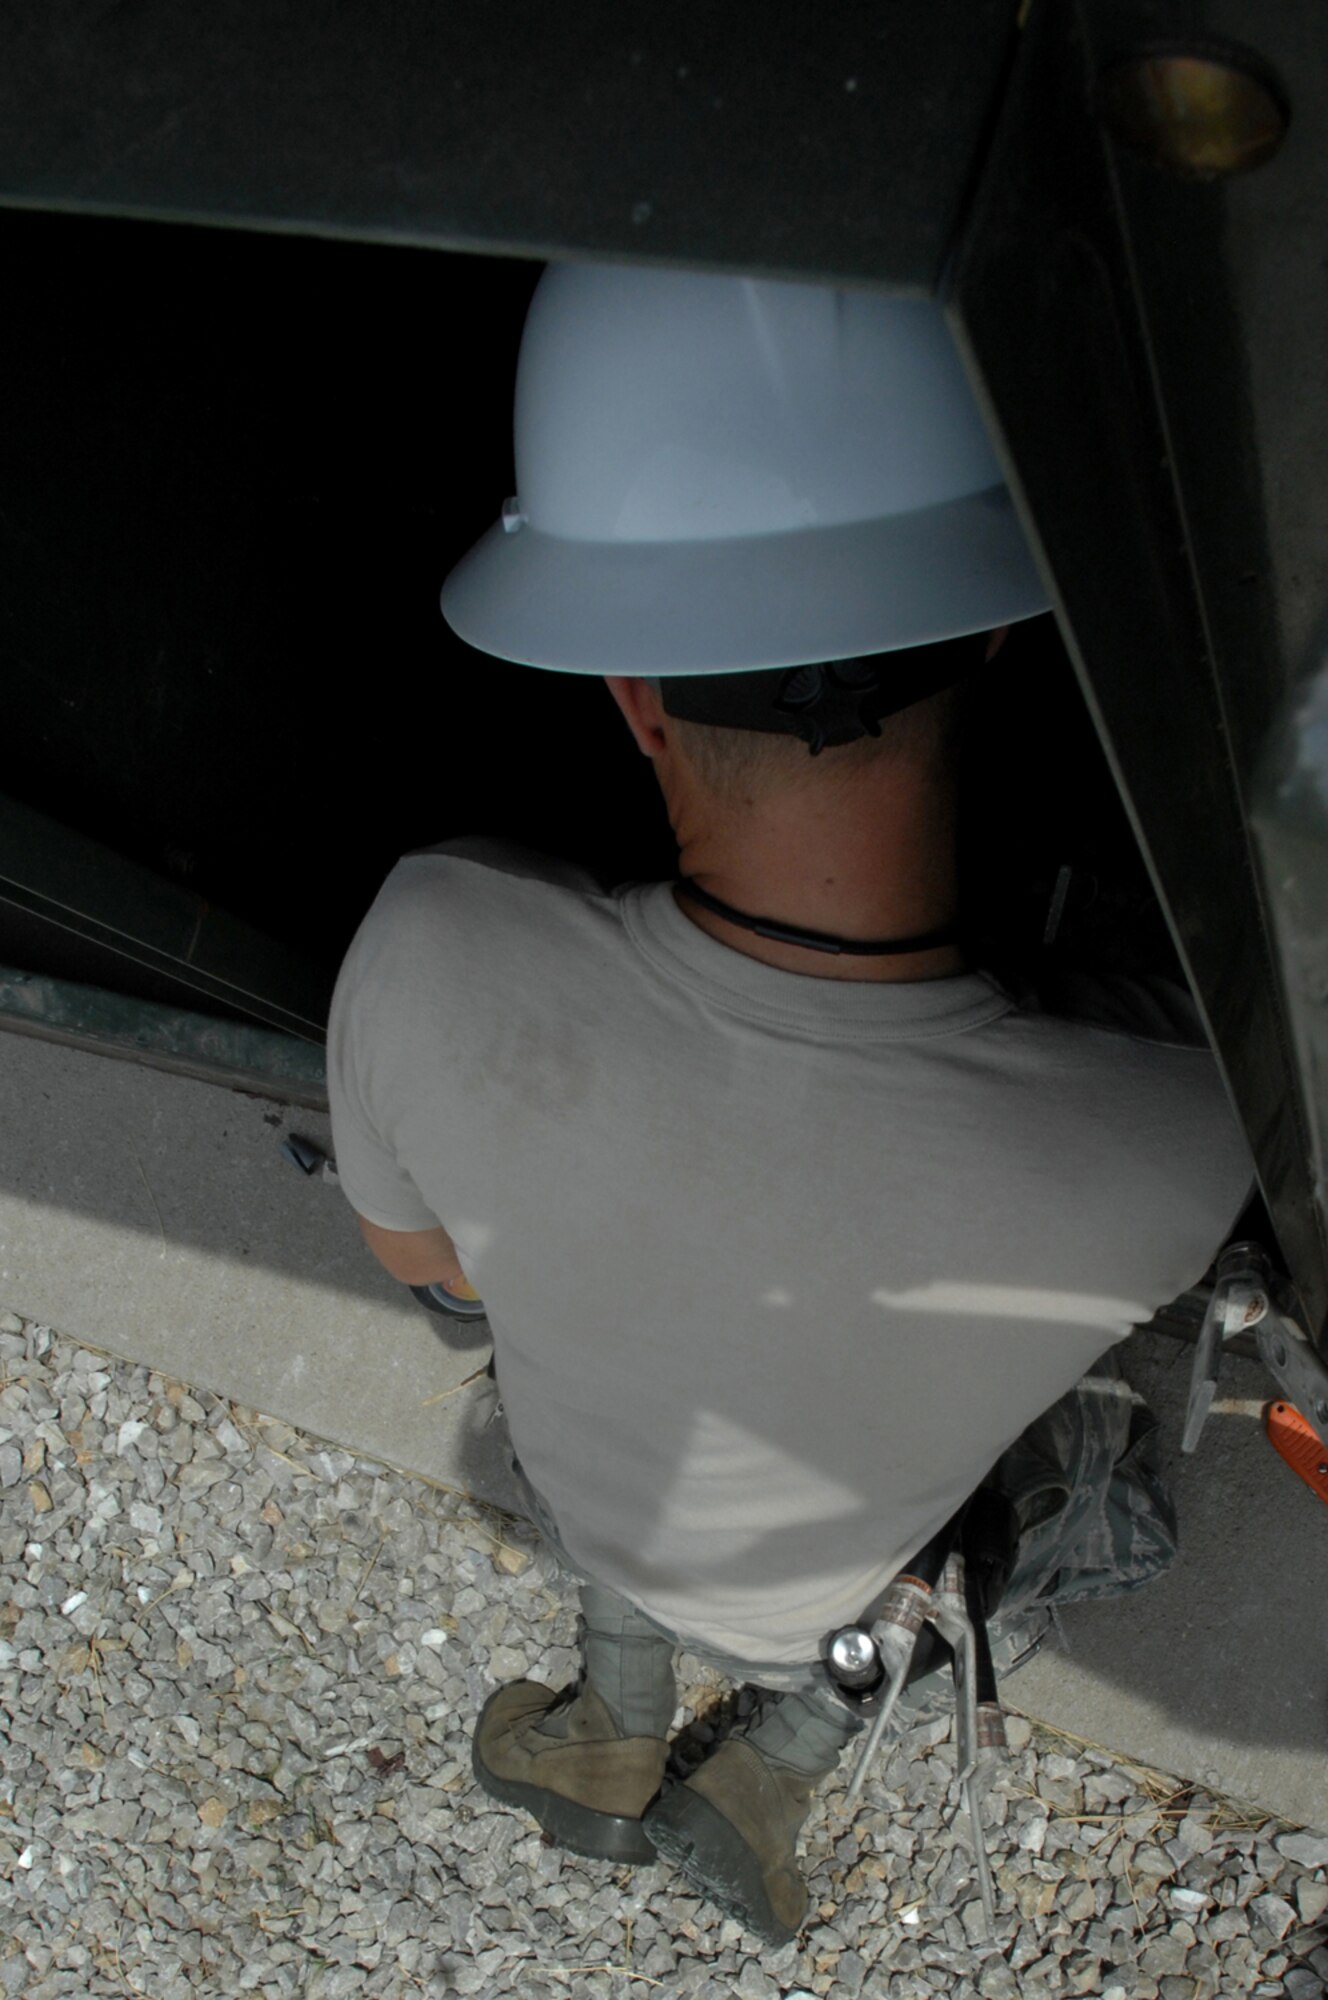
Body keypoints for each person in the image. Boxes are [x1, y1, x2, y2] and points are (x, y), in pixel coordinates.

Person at [326, 264, 1253, 1945]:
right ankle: (780, 1759)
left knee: (620, 1349)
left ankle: (610, 1727)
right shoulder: (1172, 1130)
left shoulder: (428, 941)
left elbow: (439, 1276)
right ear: (993, 624)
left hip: (597, 1485)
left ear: (624, 688)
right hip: (818, 1578)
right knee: (1025, 1491)